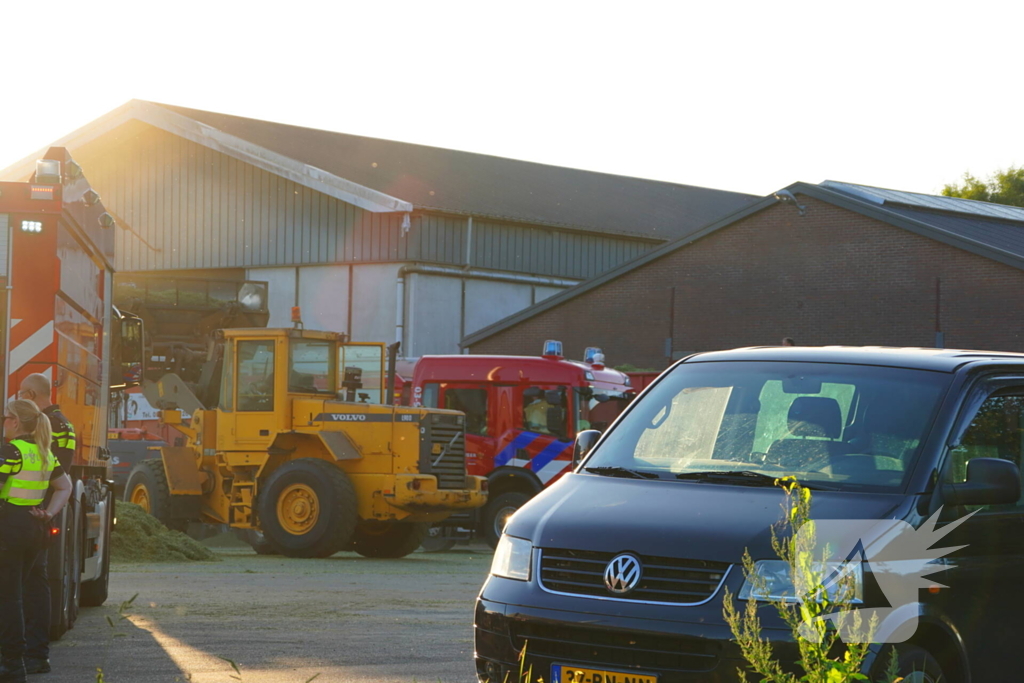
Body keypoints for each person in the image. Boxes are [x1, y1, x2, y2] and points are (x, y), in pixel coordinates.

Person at [0, 399, 71, 682]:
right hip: (33, 527)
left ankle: (12, 663)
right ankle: (29, 656)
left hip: (9, 527)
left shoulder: (11, 451)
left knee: (9, 598)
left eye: (5, 418)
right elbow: (64, 487)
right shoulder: (44, 452)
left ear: (16, 422)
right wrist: (49, 513)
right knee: (18, 593)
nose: (4, 422)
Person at [16, 375, 75, 676]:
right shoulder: (63, 424)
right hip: (45, 512)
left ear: (29, 394)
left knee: (22, 587)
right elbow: (61, 477)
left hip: (29, 513)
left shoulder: (41, 428)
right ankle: (36, 652)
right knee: (36, 583)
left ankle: (27, 651)